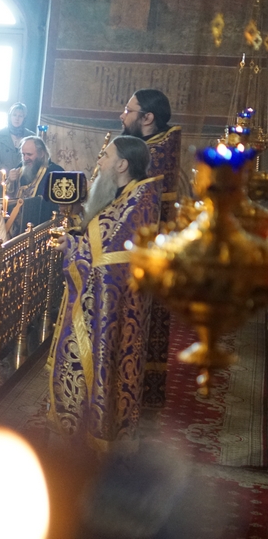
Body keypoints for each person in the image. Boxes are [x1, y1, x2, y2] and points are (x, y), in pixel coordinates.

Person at [48, 135, 162, 453]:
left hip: (112, 306)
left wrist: (74, 249)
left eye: (106, 156)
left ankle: (88, 446)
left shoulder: (138, 200)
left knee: (103, 368)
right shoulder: (126, 195)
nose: (99, 162)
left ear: (122, 165)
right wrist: (75, 240)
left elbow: (108, 258)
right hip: (105, 301)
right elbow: (101, 243)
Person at [120, 88, 182, 409]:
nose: (122, 115)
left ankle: (128, 391)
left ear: (147, 118)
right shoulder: (148, 146)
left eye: (128, 110)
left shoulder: (152, 154)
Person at [5, 137, 64, 236]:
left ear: (41, 153)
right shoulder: (20, 168)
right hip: (16, 230)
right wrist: (10, 181)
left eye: (29, 154)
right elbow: (7, 199)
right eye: (23, 154)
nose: (25, 158)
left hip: (41, 230)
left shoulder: (55, 173)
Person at [0, 103, 34, 173]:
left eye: (20, 116)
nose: (17, 118)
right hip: (3, 176)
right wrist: (7, 173)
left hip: (25, 176)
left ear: (24, 118)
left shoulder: (31, 136)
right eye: (14, 115)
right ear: (10, 117)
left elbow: (34, 159)